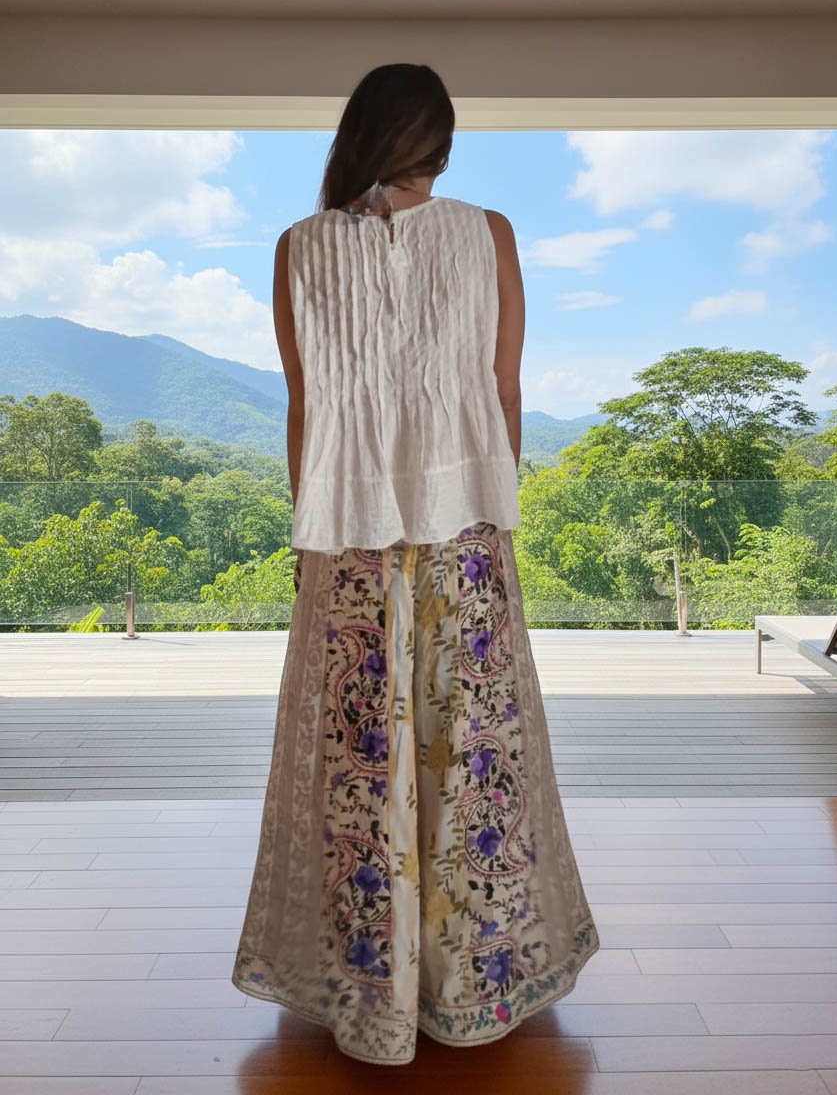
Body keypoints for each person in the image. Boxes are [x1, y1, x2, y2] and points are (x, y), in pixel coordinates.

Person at [231, 62, 599, 1065]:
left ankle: (367, 977)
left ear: (358, 134)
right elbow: (505, 391)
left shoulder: (298, 246)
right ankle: (474, 972)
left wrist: (309, 531)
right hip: (463, 528)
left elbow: (305, 410)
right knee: (471, 742)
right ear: (439, 143)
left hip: (348, 531)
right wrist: (490, 516)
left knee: (363, 752)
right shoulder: (489, 233)